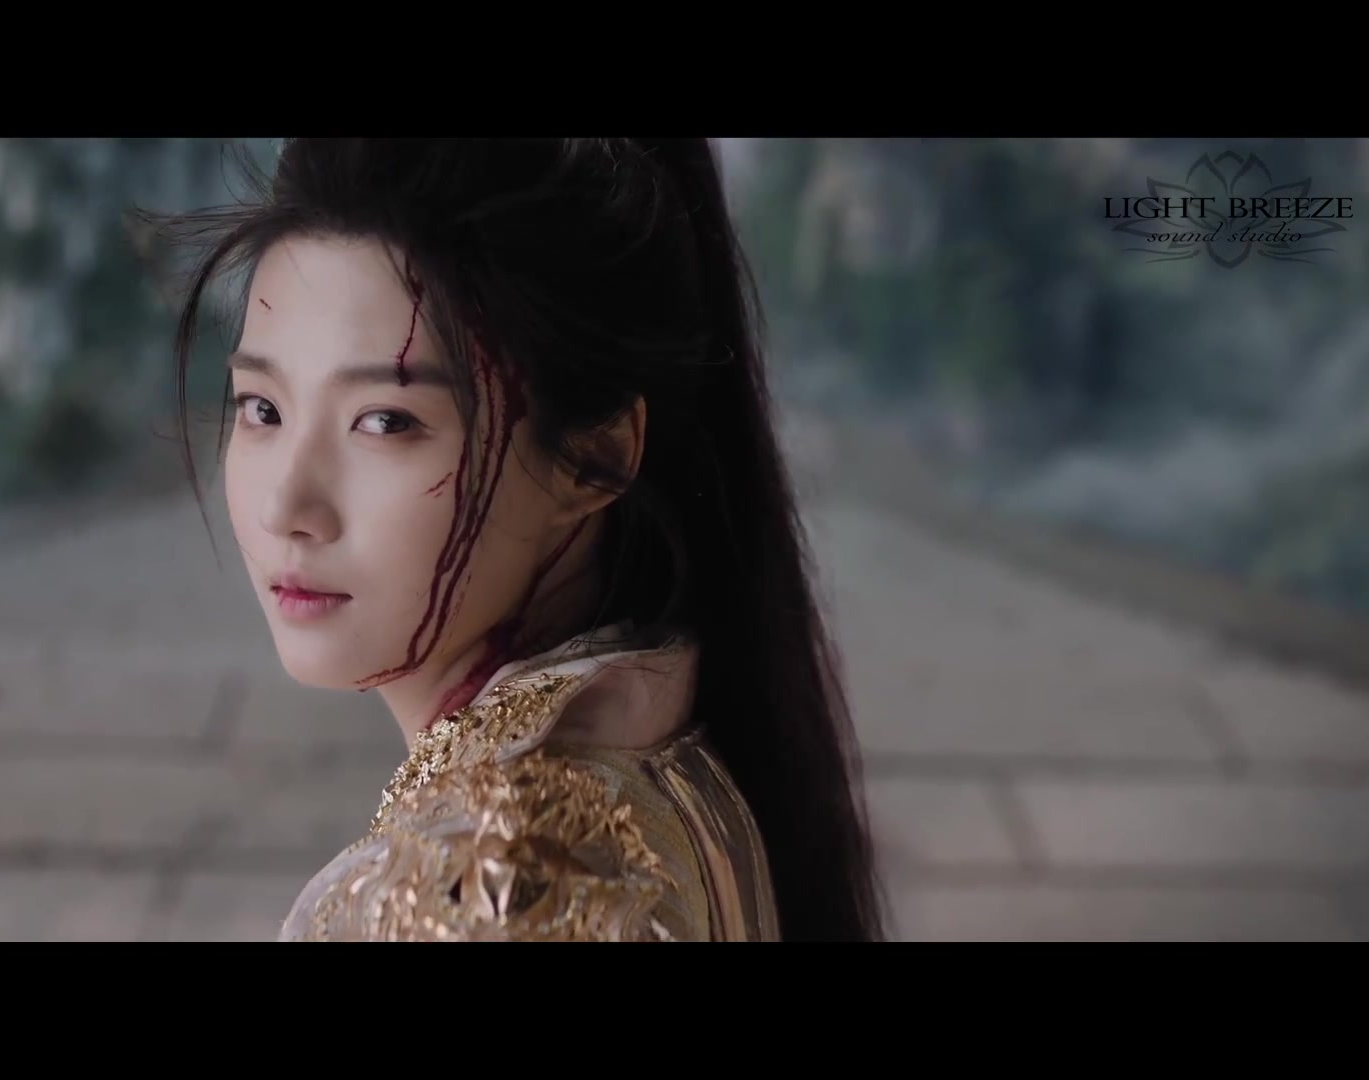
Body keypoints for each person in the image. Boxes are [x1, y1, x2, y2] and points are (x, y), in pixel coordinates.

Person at [138, 138, 884, 942]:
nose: (289, 504)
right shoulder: (663, 754)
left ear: (593, 459)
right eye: (262, 409)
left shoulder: (495, 895)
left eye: (386, 422)